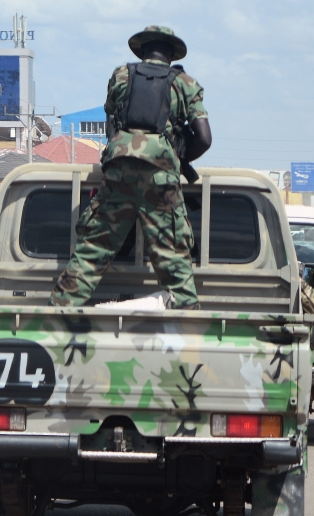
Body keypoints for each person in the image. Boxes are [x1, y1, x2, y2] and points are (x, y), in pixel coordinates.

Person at [50, 25, 209, 309]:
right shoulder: (186, 83)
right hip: (161, 175)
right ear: (171, 54)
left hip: (119, 167)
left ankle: (59, 311)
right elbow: (205, 138)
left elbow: (112, 119)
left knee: (95, 246)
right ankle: (187, 319)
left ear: (143, 50)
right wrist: (180, 159)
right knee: (171, 251)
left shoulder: (121, 75)